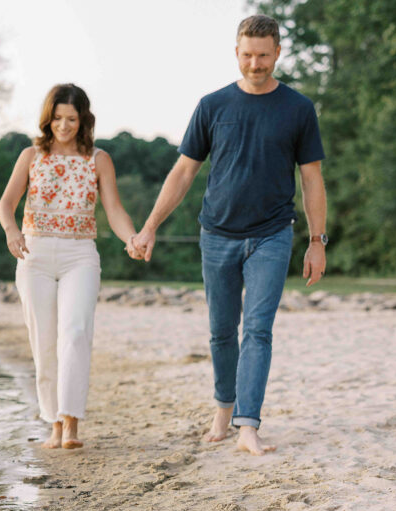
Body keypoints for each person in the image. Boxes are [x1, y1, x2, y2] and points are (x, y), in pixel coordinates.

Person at [132, 14, 327, 456]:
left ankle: (248, 425)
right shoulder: (212, 105)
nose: (254, 63)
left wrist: (317, 241)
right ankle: (224, 406)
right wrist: (149, 227)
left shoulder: (298, 109)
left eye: (262, 55)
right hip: (217, 233)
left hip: (273, 234)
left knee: (257, 329)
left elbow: (312, 179)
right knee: (222, 331)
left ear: (278, 53)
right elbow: (183, 172)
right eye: (246, 55)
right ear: (236, 53)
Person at [0, 84, 143, 450]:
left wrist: (132, 238)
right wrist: (12, 231)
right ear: (49, 118)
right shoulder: (31, 155)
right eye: (58, 118)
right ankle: (53, 423)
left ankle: (71, 421)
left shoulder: (98, 159)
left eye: (72, 119)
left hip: (80, 254)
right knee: (44, 341)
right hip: (35, 256)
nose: (64, 126)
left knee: (75, 333)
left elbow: (113, 210)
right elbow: (5, 205)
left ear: (84, 120)